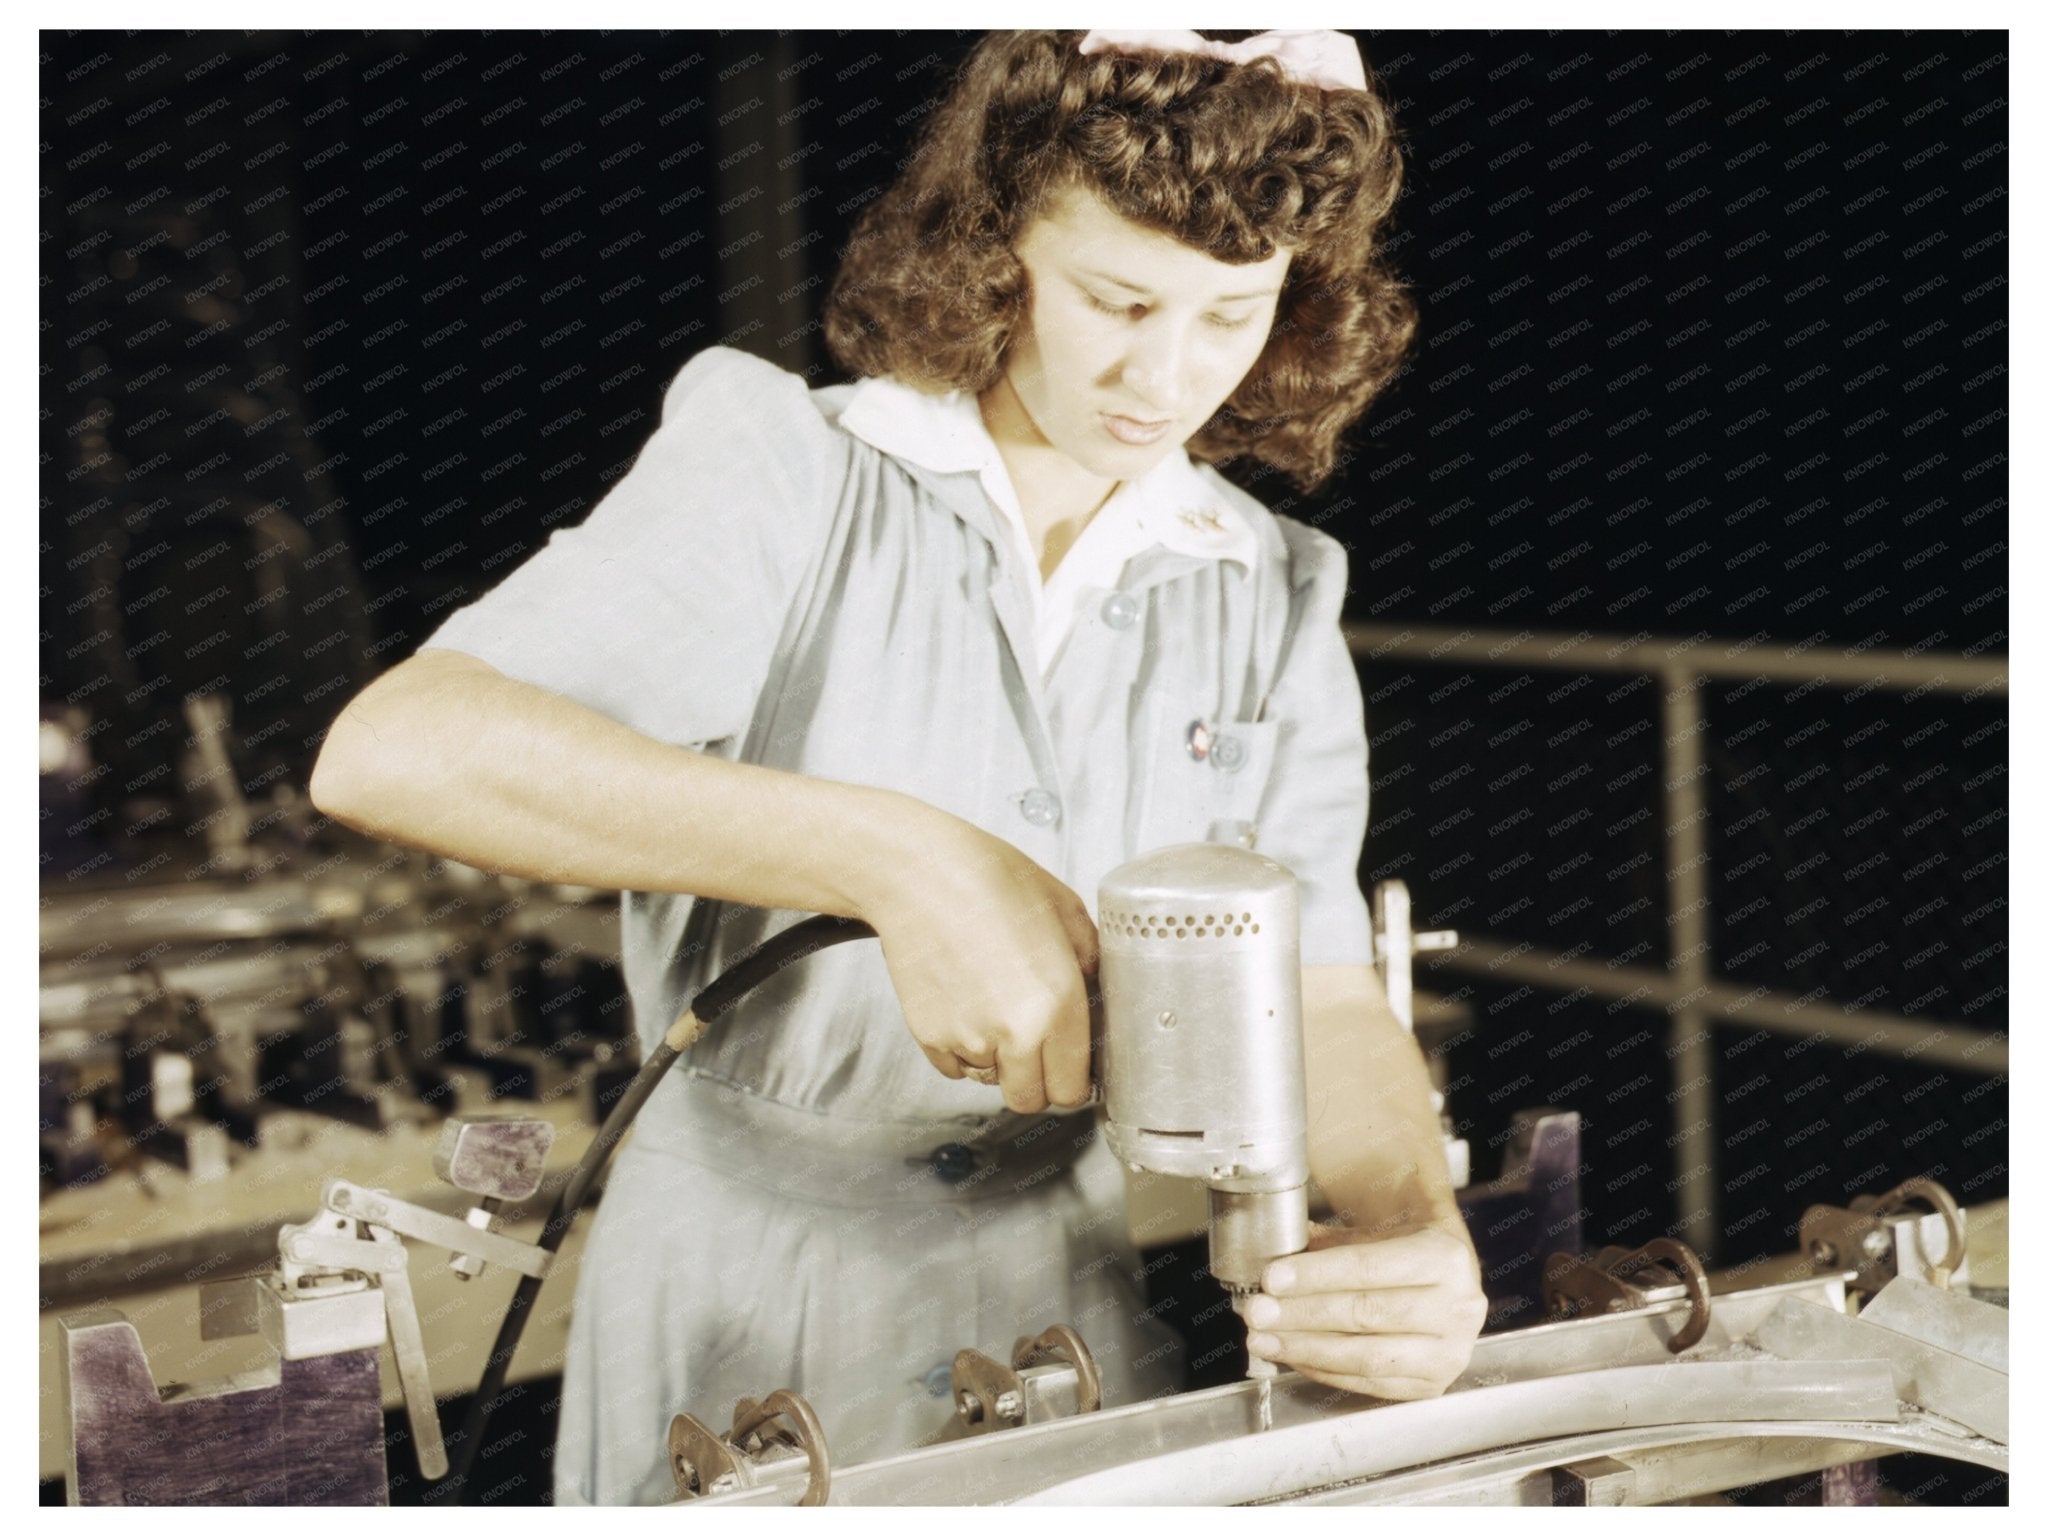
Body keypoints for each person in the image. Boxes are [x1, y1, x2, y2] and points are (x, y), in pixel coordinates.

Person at [310, 28, 1485, 1507]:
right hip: (747, 1289)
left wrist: (1407, 1231)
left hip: (1061, 1279)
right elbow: (396, 750)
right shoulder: (793, 475)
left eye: (1228, 316)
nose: (1161, 377)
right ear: (998, 250)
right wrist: (899, 855)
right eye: (1116, 299)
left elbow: (1315, 986)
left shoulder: (1262, 583)